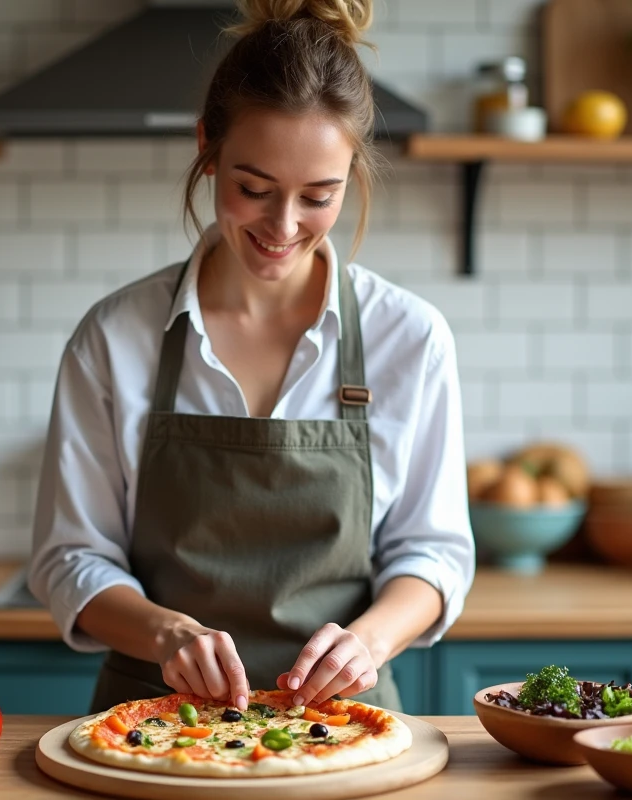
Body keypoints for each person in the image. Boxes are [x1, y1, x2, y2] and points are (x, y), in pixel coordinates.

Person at [29, 0, 474, 715]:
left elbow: (435, 552)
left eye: (319, 196)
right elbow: (69, 558)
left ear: (352, 173)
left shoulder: (410, 339)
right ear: (207, 147)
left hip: (345, 723)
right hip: (151, 726)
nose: (284, 225)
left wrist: (369, 641)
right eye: (253, 189)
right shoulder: (114, 338)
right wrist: (165, 632)